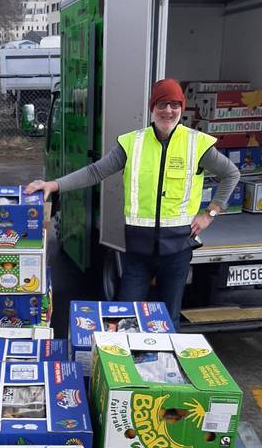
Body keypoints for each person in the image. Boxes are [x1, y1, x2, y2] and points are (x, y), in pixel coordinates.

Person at [25, 78, 240, 328]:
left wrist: (210, 213)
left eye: (174, 104)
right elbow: (96, 172)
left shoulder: (197, 143)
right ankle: (126, 365)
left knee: (168, 318)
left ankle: (162, 365)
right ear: (152, 107)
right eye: (161, 104)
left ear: (182, 108)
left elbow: (231, 174)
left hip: (178, 248)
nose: (168, 111)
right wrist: (53, 184)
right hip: (138, 251)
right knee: (125, 315)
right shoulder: (132, 143)